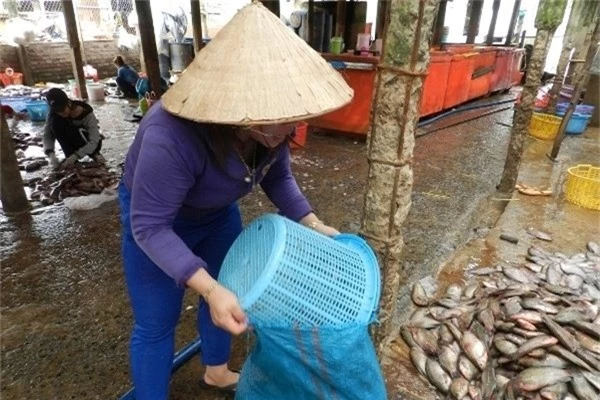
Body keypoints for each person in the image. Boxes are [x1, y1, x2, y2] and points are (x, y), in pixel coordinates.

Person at [118, 2, 353, 399]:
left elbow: (278, 178)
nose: (291, 128)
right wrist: (207, 289)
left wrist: (315, 224)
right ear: (240, 116)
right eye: (282, 122)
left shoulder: (272, 129)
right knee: (158, 319)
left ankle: (216, 370)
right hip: (158, 222)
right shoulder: (170, 135)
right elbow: (150, 226)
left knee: (232, 293)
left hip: (215, 214)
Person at [43, 88, 105, 169]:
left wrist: (75, 156)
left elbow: (94, 140)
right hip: (71, 143)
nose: (62, 113)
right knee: (55, 124)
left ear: (68, 103)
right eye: (58, 111)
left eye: (63, 109)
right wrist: (50, 154)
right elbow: (47, 134)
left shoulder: (86, 112)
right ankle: (70, 157)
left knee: (74, 130)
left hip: (90, 142)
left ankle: (95, 154)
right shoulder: (53, 115)